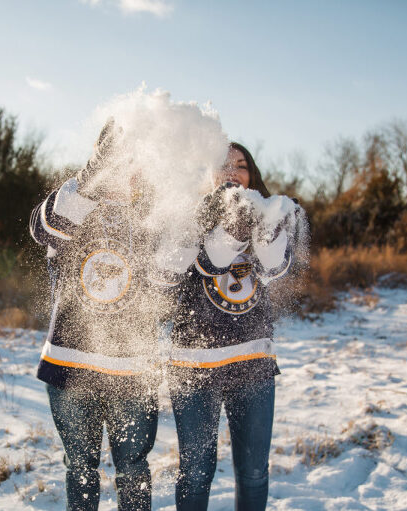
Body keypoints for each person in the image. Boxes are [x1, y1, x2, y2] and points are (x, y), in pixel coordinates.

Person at [29, 119, 170, 511]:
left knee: (134, 471)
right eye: (116, 156)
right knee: (81, 470)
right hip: (71, 367)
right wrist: (90, 178)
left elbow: (168, 284)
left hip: (134, 371)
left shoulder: (154, 219)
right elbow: (44, 229)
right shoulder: (73, 204)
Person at [167, 142, 306, 510]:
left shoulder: (264, 214)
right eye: (223, 165)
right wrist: (229, 227)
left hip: (253, 365)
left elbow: (275, 269)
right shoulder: (187, 215)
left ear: (252, 175)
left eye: (241, 165)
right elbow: (202, 264)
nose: (232, 171)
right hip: (194, 368)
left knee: (255, 472)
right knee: (196, 473)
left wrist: (266, 227)